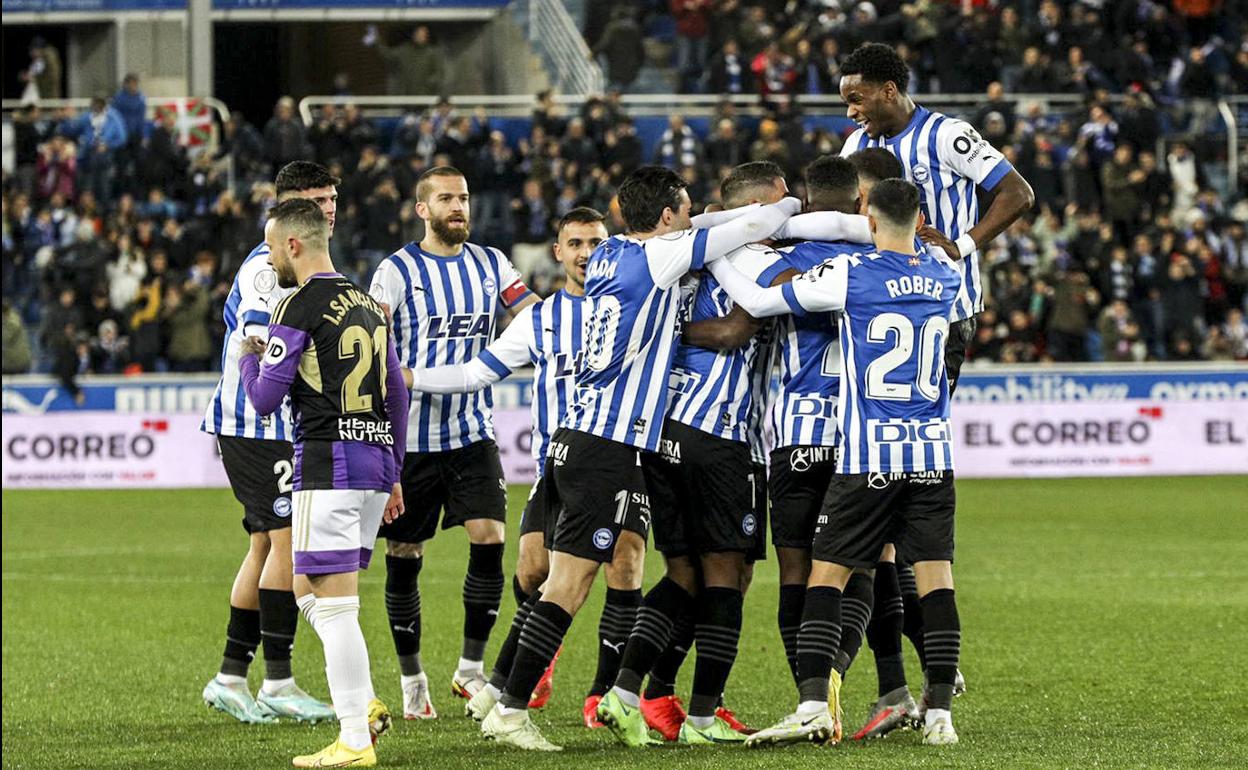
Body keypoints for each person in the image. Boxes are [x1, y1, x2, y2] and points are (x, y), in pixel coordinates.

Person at [479, 166, 799, 751]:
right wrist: (793, 206)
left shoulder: (612, 255)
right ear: (669, 216)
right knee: (568, 585)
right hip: (608, 442)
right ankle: (512, 705)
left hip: (601, 440)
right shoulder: (656, 258)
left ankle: (535, 697)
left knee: (578, 580)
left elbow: (704, 226)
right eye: (684, 209)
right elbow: (753, 225)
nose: (691, 214)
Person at [707, 178, 966, 747]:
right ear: (919, 217)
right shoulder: (948, 275)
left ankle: (811, 706)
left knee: (826, 576)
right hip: (932, 452)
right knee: (935, 580)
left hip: (868, 453)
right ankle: (940, 714)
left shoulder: (853, 273)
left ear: (869, 219)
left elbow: (759, 301)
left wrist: (721, 249)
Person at [396, 208, 634, 726]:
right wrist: (410, 377)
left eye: (595, 243)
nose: (586, 253)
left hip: (618, 458)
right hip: (556, 461)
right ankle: (538, 658)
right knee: (532, 570)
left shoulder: (632, 309)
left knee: (624, 563)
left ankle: (604, 692)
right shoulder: (541, 318)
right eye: (575, 244)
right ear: (558, 252)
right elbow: (476, 371)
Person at [626, 161, 795, 745]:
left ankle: (637, 692)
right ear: (757, 208)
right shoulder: (753, 258)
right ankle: (699, 714)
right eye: (778, 203)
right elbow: (733, 332)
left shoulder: (681, 258)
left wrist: (665, 334)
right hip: (717, 434)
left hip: (665, 431)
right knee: (730, 573)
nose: (787, 213)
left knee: (683, 573)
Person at [239, 197, 408, 767]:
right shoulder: (365, 301)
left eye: (270, 246)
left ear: (293, 244)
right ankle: (363, 704)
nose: (269, 257)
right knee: (310, 589)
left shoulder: (298, 304)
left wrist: (248, 356)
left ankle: (355, 738)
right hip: (373, 462)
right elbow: (397, 391)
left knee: (334, 609)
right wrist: (396, 472)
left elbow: (264, 399)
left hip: (326, 463)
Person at [368, 166, 539, 719]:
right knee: (403, 552)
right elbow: (372, 352)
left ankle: (469, 668)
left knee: (489, 537)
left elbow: (533, 316)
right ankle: (412, 676)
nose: (458, 206)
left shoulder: (491, 264)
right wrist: (383, 453)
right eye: (446, 199)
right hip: (409, 441)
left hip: (471, 432)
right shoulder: (394, 272)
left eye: (463, 197)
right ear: (423, 209)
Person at [199, 162, 341, 726]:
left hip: (263, 427)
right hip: (260, 426)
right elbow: (257, 339)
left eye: (332, 198)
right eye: (315, 199)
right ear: (285, 209)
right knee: (287, 545)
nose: (328, 208)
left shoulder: (302, 260)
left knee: (264, 547)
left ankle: (232, 677)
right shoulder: (269, 267)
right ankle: (278, 682)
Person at [836, 42, 1034, 393]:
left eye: (856, 99)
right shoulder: (855, 146)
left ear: (889, 91)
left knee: (922, 416)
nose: (851, 113)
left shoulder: (947, 135)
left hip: (946, 307)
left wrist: (961, 245)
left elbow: (1018, 193)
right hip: (881, 304)